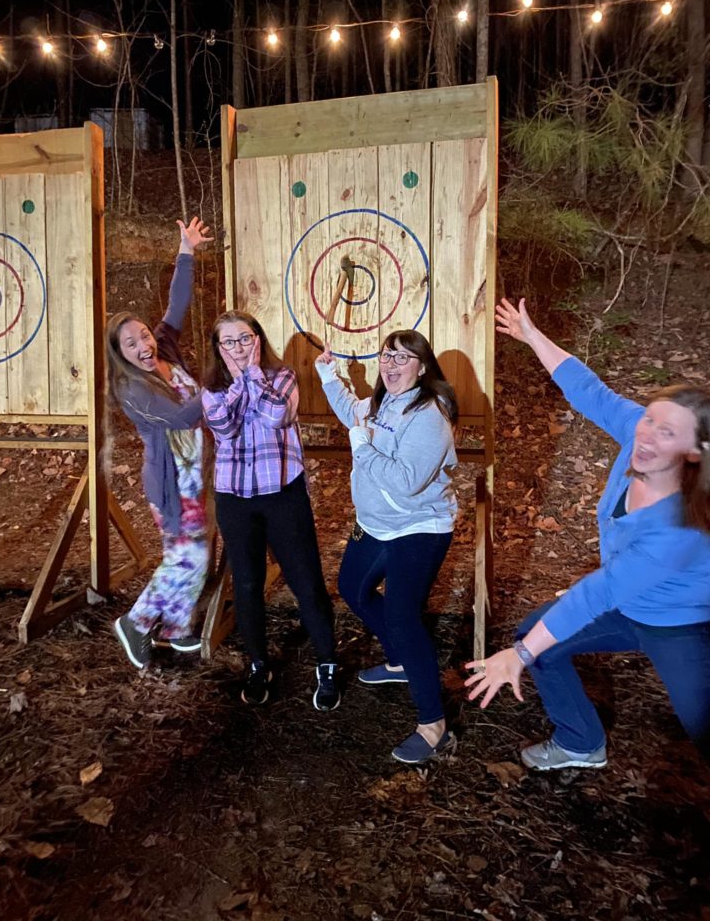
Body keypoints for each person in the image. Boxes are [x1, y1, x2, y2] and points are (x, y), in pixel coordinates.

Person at [465, 297, 710, 769]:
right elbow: (590, 392)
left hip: (680, 624)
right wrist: (532, 336)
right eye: (648, 419)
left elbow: (598, 592)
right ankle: (581, 741)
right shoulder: (637, 437)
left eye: (666, 432)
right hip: (628, 604)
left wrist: (517, 654)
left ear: (695, 452)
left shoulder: (680, 525)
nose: (647, 434)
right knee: (538, 638)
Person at [315, 331, 459, 764]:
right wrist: (327, 374)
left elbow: (406, 481)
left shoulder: (429, 416)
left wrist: (360, 446)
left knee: (401, 614)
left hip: (419, 527)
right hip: (374, 524)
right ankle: (399, 660)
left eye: (403, 358)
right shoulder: (380, 403)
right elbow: (351, 413)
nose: (392, 365)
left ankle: (434, 724)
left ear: (423, 367)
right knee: (353, 589)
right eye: (387, 355)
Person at [201, 312, 339, 711]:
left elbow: (277, 415)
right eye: (228, 342)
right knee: (247, 585)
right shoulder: (211, 387)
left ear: (258, 340)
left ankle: (327, 661)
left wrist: (252, 376)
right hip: (236, 498)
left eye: (244, 338)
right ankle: (258, 662)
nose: (238, 348)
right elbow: (223, 427)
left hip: (282, 493)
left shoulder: (282, 377)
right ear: (218, 348)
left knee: (306, 580)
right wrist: (240, 381)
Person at [106, 216, 214, 670]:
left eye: (144, 334)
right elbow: (176, 417)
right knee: (190, 554)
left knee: (189, 550)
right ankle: (137, 621)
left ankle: (175, 628)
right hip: (171, 485)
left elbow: (177, 303)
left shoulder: (164, 352)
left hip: (195, 475)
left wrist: (186, 251)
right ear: (121, 353)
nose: (143, 344)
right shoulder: (131, 388)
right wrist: (221, 389)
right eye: (131, 343)